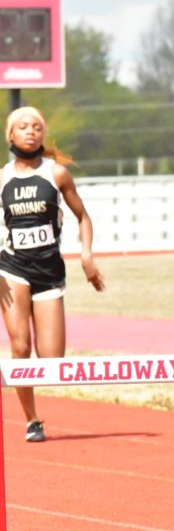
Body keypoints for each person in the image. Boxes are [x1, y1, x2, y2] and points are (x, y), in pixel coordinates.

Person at [0, 107, 105, 442]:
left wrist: (86, 256)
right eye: (22, 126)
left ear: (43, 134)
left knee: (52, 363)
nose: (30, 131)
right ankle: (32, 420)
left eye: (36, 127)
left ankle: (37, 399)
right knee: (20, 346)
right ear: (11, 135)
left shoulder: (56, 174)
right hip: (12, 268)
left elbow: (83, 216)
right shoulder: (2, 178)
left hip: (48, 271)